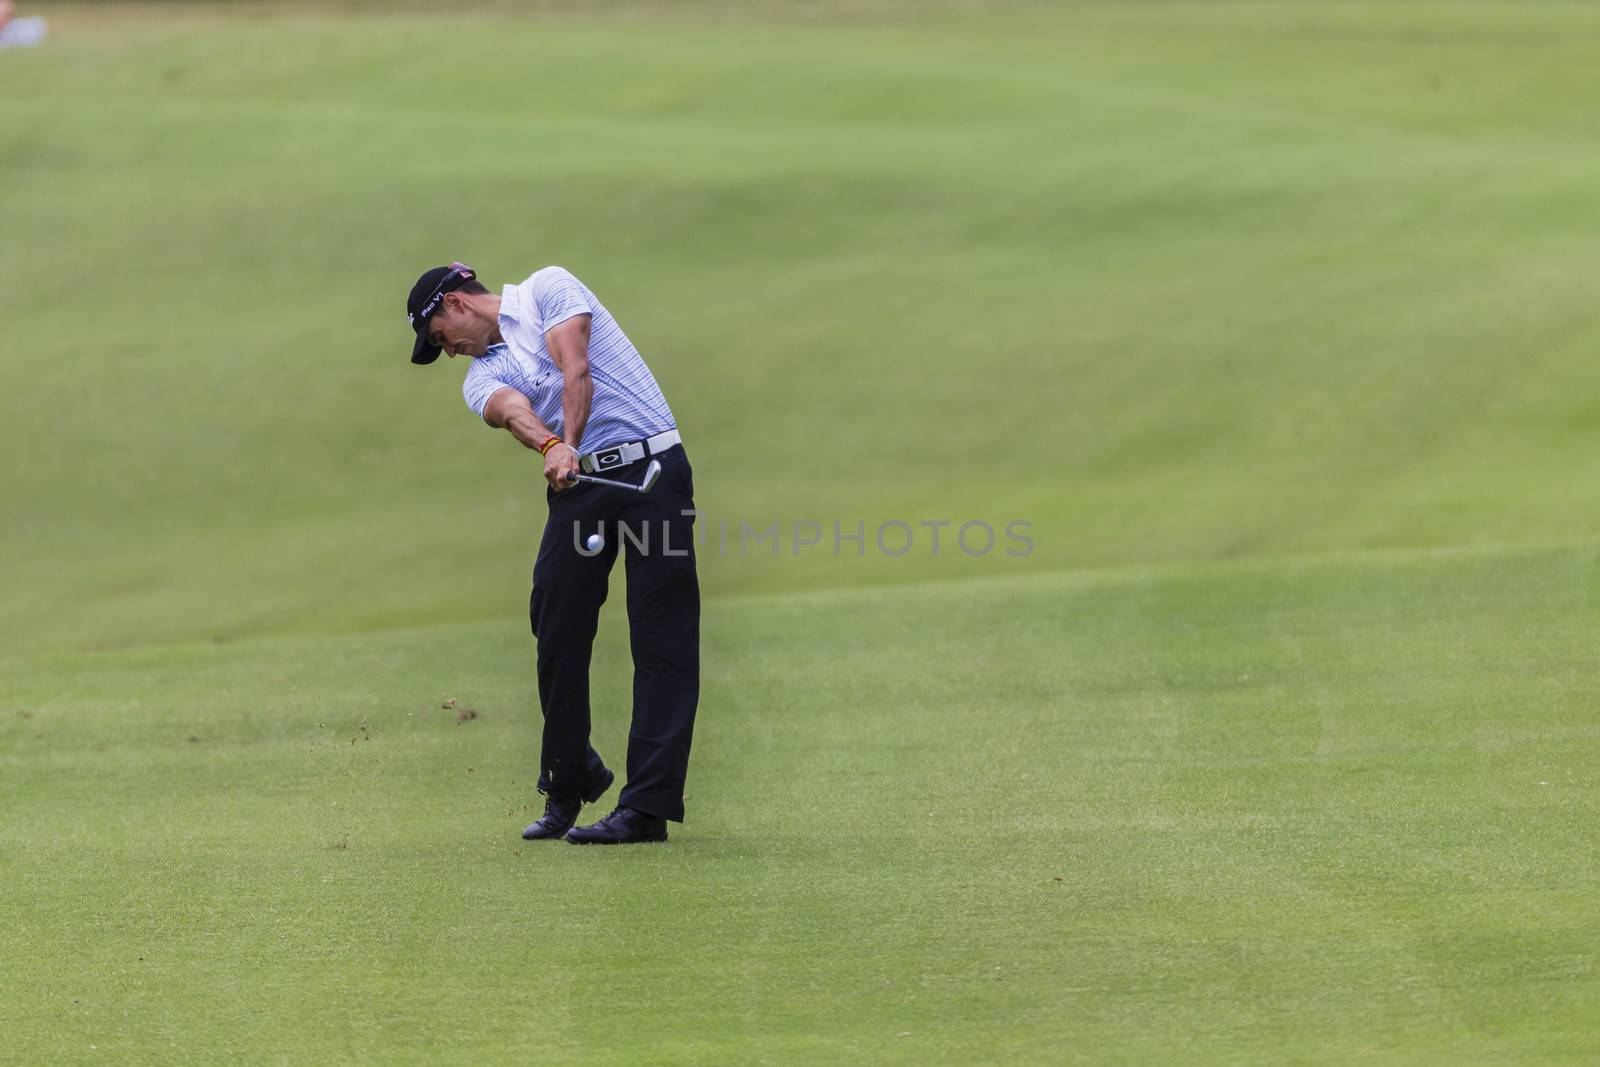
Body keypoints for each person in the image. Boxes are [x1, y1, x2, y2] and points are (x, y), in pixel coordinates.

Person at [405, 262, 700, 845]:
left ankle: (646, 807)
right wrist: (550, 443)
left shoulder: (549, 289)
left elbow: (576, 368)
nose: (448, 353)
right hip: (578, 488)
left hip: (654, 478)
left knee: (661, 637)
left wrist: (565, 440)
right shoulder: (477, 378)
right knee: (556, 624)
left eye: (439, 337)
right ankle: (570, 779)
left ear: (457, 304)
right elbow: (511, 409)